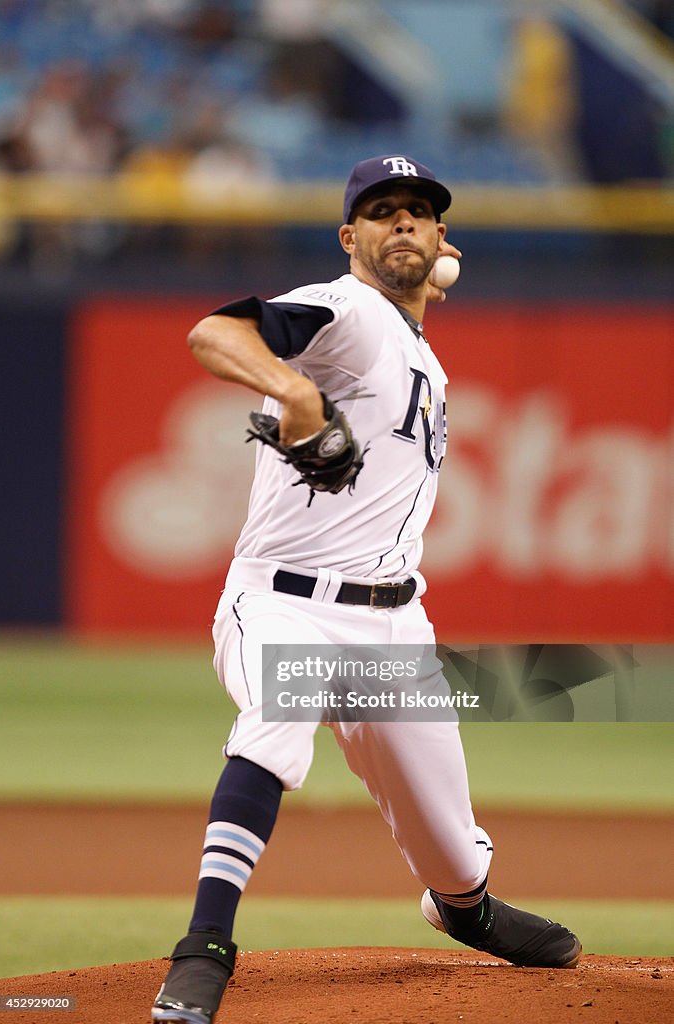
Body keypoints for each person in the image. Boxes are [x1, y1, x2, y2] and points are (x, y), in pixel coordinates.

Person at [151, 155, 581, 1024]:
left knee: (453, 854)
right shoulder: (346, 309)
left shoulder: (416, 348)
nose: (401, 224)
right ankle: (203, 946)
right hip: (282, 601)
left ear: (438, 238)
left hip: (392, 625)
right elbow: (212, 333)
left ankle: (467, 911)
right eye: (380, 212)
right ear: (351, 237)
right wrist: (293, 387)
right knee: (275, 721)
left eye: (417, 212)